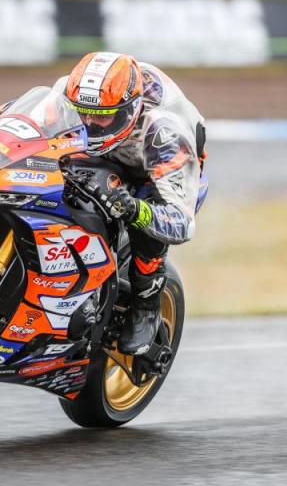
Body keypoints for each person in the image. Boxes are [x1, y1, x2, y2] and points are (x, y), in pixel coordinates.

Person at [56, 52, 207, 355]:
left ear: (129, 110)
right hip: (106, 156)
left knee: (146, 218)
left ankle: (146, 302)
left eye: (101, 117)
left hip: (158, 175)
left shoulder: (165, 132)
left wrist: (134, 209)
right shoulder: (66, 96)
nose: (89, 123)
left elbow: (182, 223)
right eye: (81, 113)